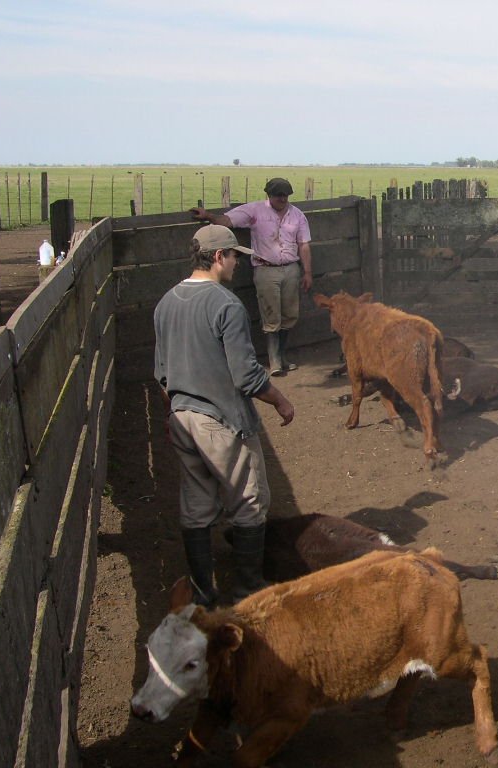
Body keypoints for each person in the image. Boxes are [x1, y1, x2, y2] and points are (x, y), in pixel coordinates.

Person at [154, 224, 296, 606]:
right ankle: (248, 586)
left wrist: (176, 415)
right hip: (221, 420)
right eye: (235, 256)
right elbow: (246, 375)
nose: (238, 263)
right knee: (249, 500)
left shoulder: (166, 302)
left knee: (197, 503)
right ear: (218, 257)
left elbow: (162, 373)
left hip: (183, 417)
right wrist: (280, 400)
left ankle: (203, 591)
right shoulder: (226, 306)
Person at [191, 178, 312, 376]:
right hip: (266, 269)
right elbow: (228, 221)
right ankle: (274, 361)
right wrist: (208, 216)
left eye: (285, 195)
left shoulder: (297, 215)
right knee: (271, 314)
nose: (282, 198)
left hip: (291, 268)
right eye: (277, 195)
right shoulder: (255, 211)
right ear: (269, 195)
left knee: (290, 314)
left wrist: (307, 272)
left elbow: (304, 244)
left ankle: (282, 356)